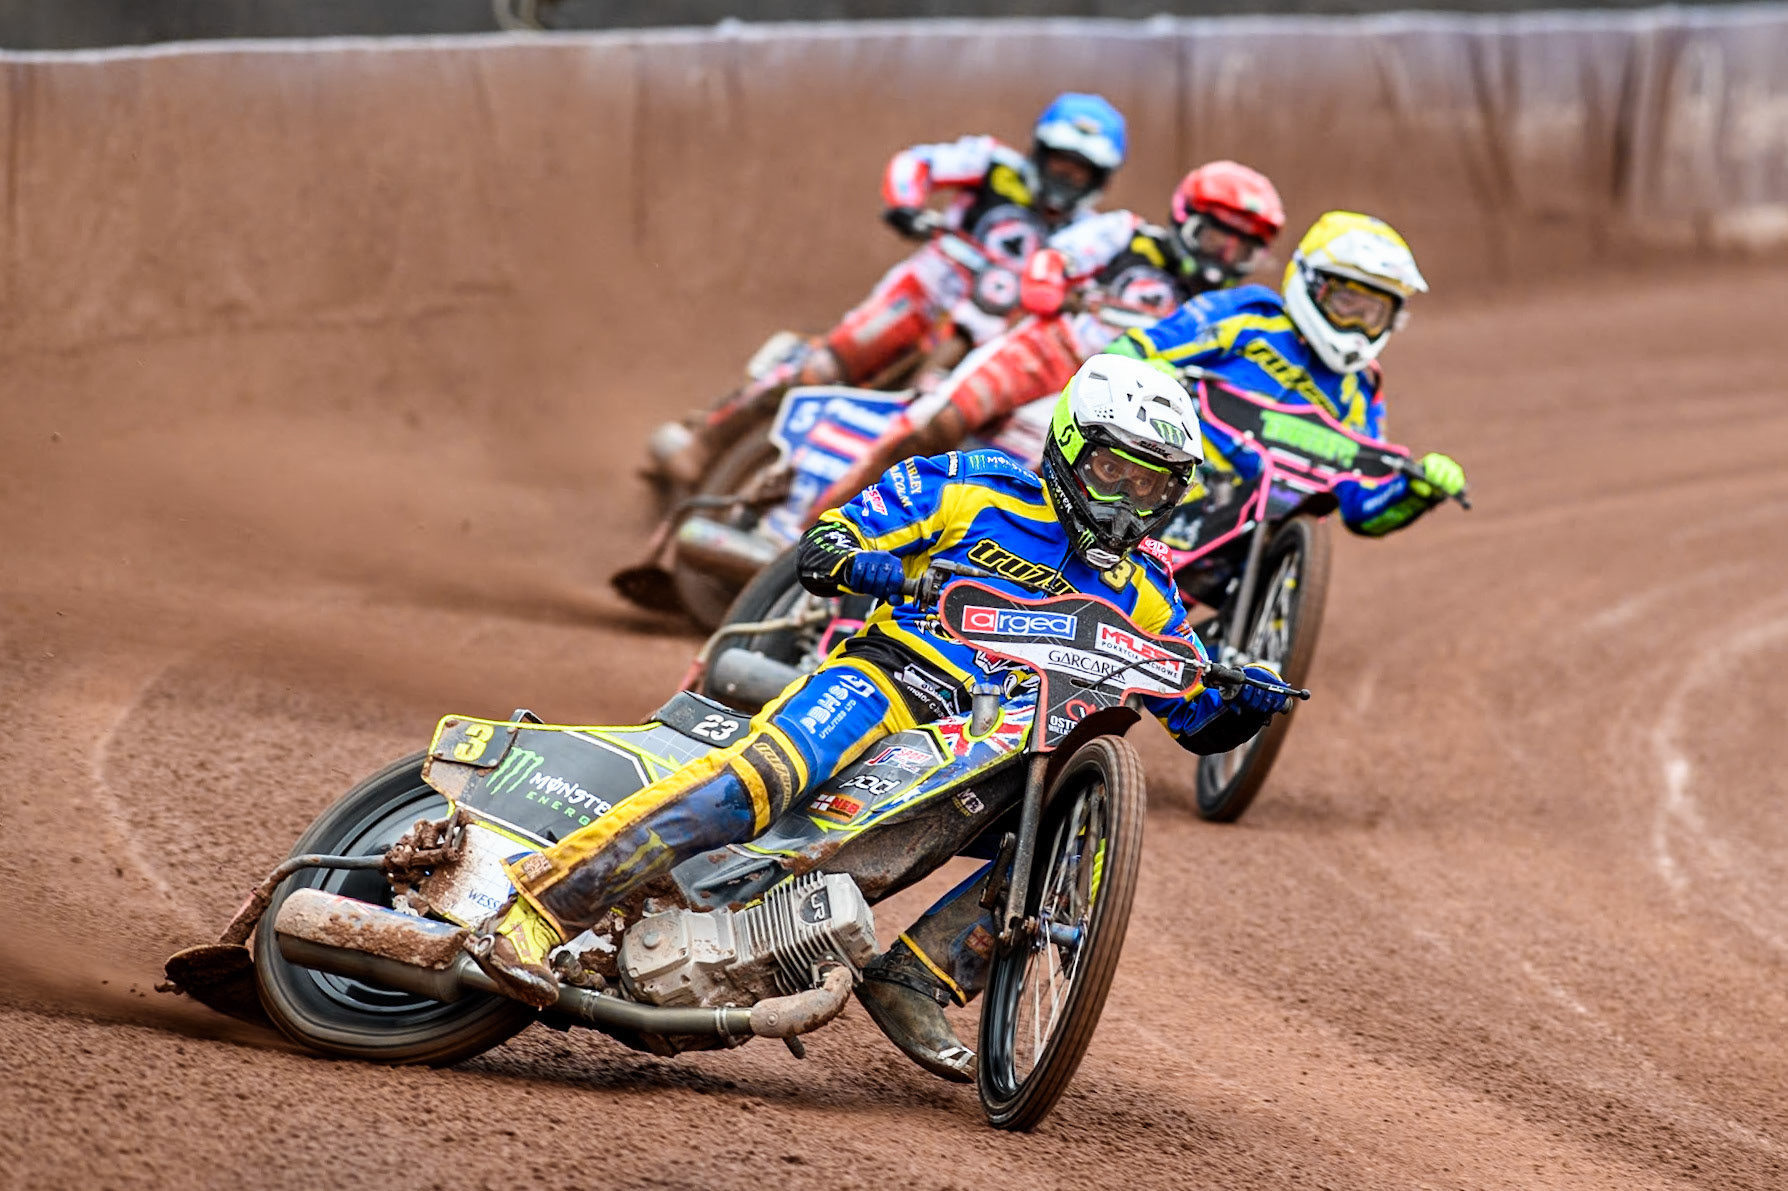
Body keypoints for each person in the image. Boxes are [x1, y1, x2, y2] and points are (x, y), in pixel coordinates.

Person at [470, 355, 1289, 1079]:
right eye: (1118, 473)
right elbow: (827, 540)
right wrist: (865, 561)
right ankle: (540, 912)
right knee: (755, 782)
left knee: (1077, 836)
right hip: (890, 679)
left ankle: (920, 976)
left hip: (997, 746)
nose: (1131, 502)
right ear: (1071, 451)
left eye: (1154, 486)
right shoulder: (975, 484)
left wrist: (1242, 704)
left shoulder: (1150, 586)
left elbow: (1194, 715)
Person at [646, 93, 1129, 488]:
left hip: (986, 341)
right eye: (1061, 160)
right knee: (825, 366)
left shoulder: (1090, 238)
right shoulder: (993, 166)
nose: (1066, 175)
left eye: (1081, 169)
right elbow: (915, 164)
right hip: (927, 294)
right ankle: (707, 441)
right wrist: (907, 206)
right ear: (1039, 151)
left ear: (1099, 178)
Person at [802, 161, 1286, 517]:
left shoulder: (1230, 312)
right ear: (1186, 221)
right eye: (1215, 238)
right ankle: (820, 528)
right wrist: (1049, 282)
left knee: (1045, 494)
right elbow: (1055, 258)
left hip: (1104, 406)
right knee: (935, 426)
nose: (1222, 255)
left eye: (1239, 248)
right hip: (1048, 349)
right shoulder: (1126, 234)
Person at [1106, 209, 1468, 536]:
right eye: (1346, 303)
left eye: (1372, 313)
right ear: (1311, 282)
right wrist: (1149, 373)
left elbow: (1360, 503)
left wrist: (1412, 493)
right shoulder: (1249, 314)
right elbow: (1136, 349)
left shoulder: (1359, 390)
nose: (1356, 324)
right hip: (1167, 479)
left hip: (1263, 530)